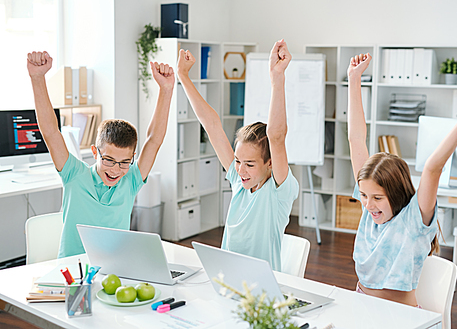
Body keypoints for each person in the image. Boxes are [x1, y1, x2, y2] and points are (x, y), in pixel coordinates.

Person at [347, 52, 457, 307]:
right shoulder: (369, 208)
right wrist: (354, 80)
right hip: (360, 303)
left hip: (400, 317)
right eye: (364, 196)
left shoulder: (414, 218)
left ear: (394, 193)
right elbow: (355, 138)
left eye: (376, 198)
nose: (368, 204)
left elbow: (433, 167)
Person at [27, 51, 175, 258]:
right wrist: (37, 78)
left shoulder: (131, 179)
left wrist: (166, 90)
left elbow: (154, 140)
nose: (116, 170)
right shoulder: (74, 174)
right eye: (109, 160)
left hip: (115, 267)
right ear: (95, 152)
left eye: (125, 162)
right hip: (73, 267)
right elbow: (51, 132)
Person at [177, 40, 299, 271]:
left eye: (250, 164)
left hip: (261, 291)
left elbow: (277, 135)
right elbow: (212, 125)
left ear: (270, 163)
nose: (240, 170)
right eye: (238, 161)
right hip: (228, 279)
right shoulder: (238, 180)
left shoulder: (278, 191)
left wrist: (277, 78)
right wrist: (183, 76)